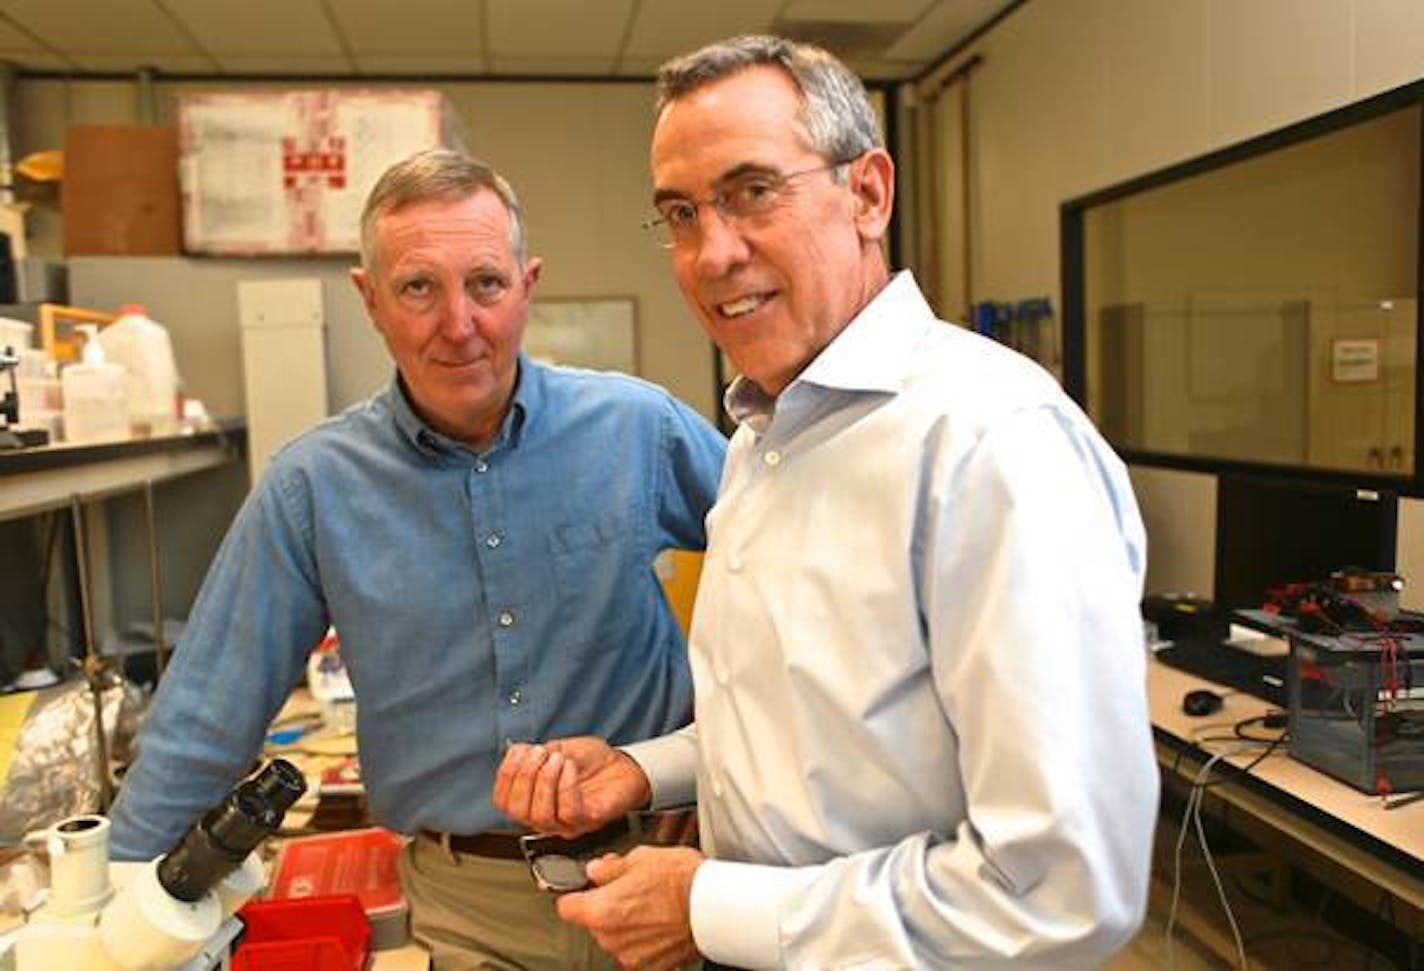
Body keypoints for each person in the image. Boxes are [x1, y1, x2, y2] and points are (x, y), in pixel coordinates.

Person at [493, 35, 1158, 970]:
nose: (713, 252)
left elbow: (1060, 885)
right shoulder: (763, 439)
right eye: (681, 213)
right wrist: (646, 769)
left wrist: (709, 907)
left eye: (753, 192)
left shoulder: (988, 445)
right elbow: (810, 726)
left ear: (869, 194)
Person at [109, 148, 727, 969]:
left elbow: (792, 578)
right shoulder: (314, 487)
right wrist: (117, 910)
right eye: (417, 288)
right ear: (370, 300)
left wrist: (716, 773)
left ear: (527, 285)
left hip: (664, 869)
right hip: (472, 907)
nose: (459, 324)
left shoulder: (637, 429)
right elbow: (204, 715)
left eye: (486, 284)